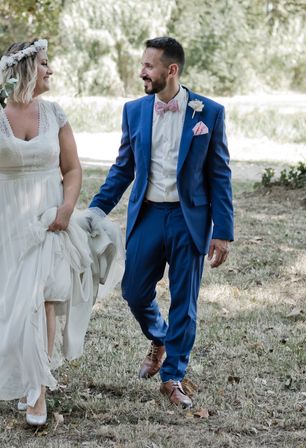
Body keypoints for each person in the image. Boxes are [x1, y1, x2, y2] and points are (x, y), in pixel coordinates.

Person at [0, 39, 123, 426]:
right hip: (3, 220)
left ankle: (38, 392)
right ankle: (24, 376)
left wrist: (66, 207)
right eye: (45, 64)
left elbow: (73, 169)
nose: (50, 71)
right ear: (26, 69)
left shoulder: (55, 114)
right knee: (12, 305)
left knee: (45, 297)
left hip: (48, 217)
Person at [88, 37, 234, 409]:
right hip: (149, 214)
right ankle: (159, 337)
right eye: (142, 64)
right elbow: (123, 170)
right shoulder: (134, 111)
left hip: (190, 220)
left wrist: (223, 231)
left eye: (149, 66)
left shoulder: (209, 113)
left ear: (171, 70)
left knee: (184, 302)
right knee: (134, 290)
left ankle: (173, 378)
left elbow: (220, 174)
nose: (142, 72)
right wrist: (94, 211)